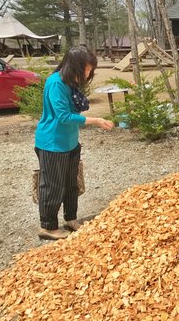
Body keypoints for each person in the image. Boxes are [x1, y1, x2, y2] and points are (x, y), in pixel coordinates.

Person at [35, 46, 114, 240]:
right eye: (85, 70)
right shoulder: (56, 83)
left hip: (70, 142)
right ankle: (48, 226)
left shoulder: (71, 82)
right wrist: (96, 120)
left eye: (90, 71)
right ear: (74, 67)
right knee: (53, 185)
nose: (87, 75)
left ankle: (70, 219)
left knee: (72, 184)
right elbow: (62, 116)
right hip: (52, 143)